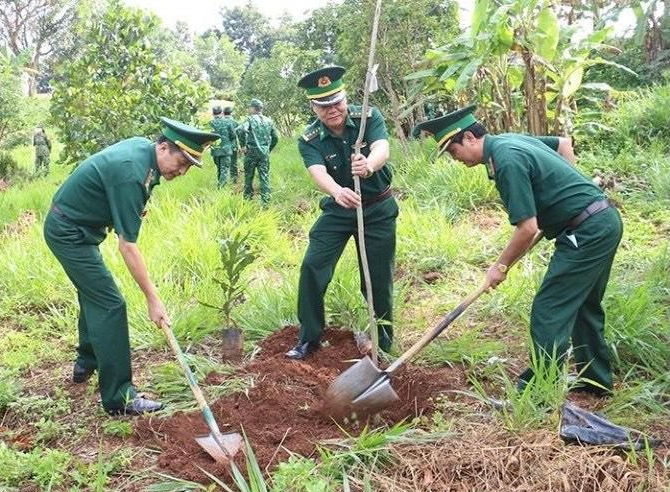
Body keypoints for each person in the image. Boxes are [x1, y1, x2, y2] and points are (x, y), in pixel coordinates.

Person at [416, 105, 622, 395]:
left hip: (586, 231)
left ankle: (538, 392)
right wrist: (573, 188)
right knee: (583, 305)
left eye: (453, 151)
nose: (456, 159)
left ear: (470, 139)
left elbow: (526, 228)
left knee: (548, 310)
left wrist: (499, 267)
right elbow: (563, 144)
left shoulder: (506, 160)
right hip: (601, 221)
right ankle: (596, 383)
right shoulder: (509, 140)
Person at [44, 117, 219, 415]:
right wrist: (153, 298)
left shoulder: (143, 151)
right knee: (110, 303)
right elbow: (127, 246)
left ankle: (87, 361)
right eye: (181, 162)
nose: (183, 171)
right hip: (69, 234)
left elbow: (121, 190)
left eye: (189, 166)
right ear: (163, 147)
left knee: (93, 293)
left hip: (77, 227)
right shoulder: (132, 174)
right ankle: (119, 398)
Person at [285, 65, 398, 360]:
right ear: (313, 106)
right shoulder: (308, 138)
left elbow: (382, 148)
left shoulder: (368, 118)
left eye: (336, 101)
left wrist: (370, 165)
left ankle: (383, 342)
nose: (332, 110)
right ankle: (309, 338)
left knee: (376, 278)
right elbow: (317, 171)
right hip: (338, 209)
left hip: (377, 209)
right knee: (313, 266)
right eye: (323, 105)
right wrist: (337, 191)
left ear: (345, 97)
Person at [236, 98, 278, 204]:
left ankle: (247, 200)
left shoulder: (250, 119)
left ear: (253, 108)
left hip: (251, 153)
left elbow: (240, 130)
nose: (249, 109)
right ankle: (266, 201)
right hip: (264, 154)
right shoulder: (269, 121)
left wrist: (243, 145)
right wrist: (268, 149)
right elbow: (275, 137)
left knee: (249, 176)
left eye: (250, 107)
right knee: (264, 176)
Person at [209, 106, 237, 188]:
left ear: (213, 113)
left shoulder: (210, 124)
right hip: (226, 150)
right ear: (221, 113)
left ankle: (220, 185)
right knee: (224, 169)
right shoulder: (228, 122)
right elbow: (233, 136)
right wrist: (231, 146)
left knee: (219, 169)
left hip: (215, 150)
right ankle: (221, 188)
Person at [223, 106, 240, 182]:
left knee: (224, 164)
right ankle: (234, 179)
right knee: (233, 163)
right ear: (231, 113)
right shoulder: (235, 123)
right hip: (233, 146)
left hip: (223, 146)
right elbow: (239, 134)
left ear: (223, 113)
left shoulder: (221, 122)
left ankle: (223, 180)